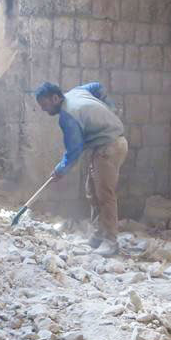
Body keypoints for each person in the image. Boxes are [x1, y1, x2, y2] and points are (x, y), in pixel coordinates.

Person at [35, 81, 128, 256]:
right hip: (103, 146)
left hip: (110, 147)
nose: (44, 109)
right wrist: (110, 107)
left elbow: (74, 150)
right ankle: (99, 235)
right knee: (92, 192)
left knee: (105, 195)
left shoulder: (67, 116)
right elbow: (97, 86)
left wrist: (60, 170)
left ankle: (111, 242)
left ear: (55, 98)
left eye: (45, 105)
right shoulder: (76, 92)